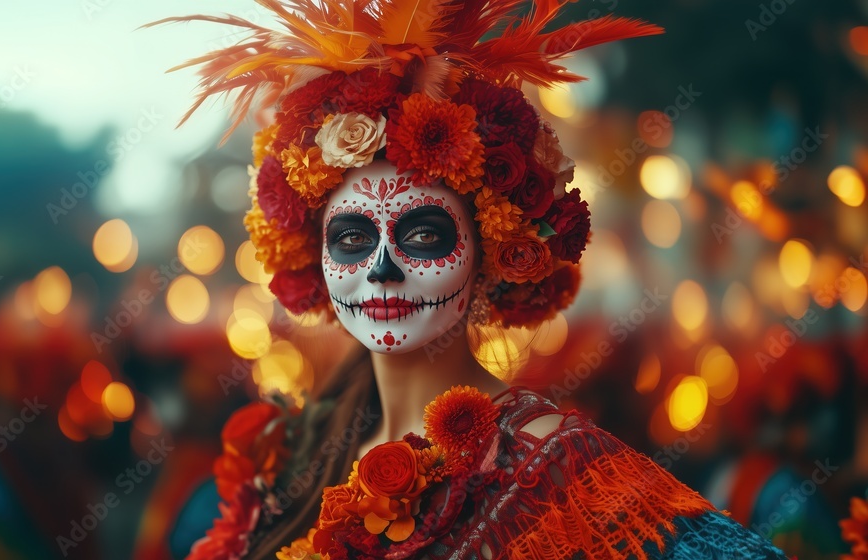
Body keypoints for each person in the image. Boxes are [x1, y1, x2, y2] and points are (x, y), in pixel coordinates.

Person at [156, 1, 791, 558]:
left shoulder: (554, 465)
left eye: (423, 235)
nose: (381, 269)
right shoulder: (296, 453)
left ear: (490, 250)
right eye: (350, 238)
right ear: (313, 257)